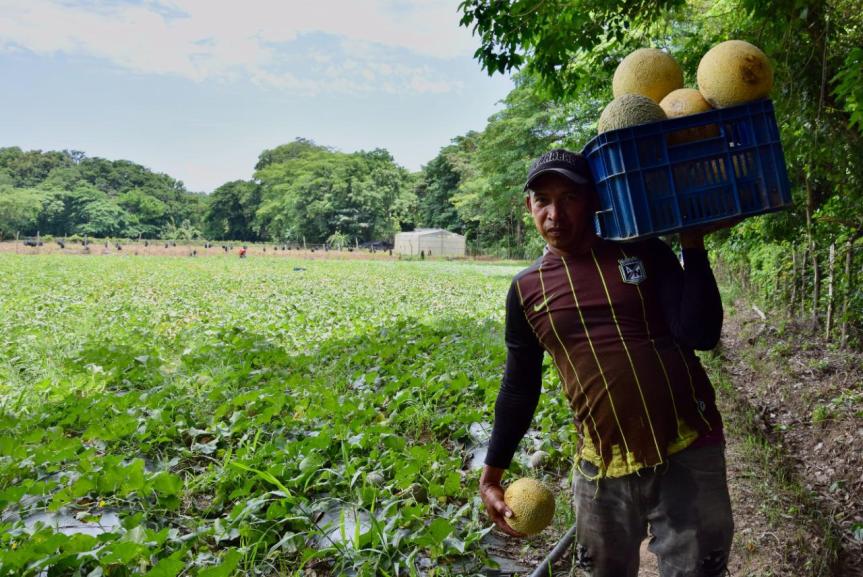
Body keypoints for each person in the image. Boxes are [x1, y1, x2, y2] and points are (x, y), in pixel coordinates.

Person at [480, 149, 734, 577]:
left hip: (688, 447)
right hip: (602, 466)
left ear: (595, 199)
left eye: (569, 198)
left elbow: (701, 334)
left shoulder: (644, 253)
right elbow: (520, 386)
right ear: (529, 207)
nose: (554, 213)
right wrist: (491, 474)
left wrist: (693, 245)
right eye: (542, 200)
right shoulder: (526, 290)